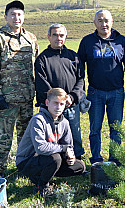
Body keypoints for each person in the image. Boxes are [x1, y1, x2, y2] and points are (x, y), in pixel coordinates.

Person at [0, 0, 39, 177]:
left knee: (26, 137)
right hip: (7, 99)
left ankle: (24, 167)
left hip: (27, 98)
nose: (17, 18)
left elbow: (36, 67)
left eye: (19, 14)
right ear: (6, 16)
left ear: (23, 17)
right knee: (4, 137)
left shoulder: (30, 38)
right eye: (13, 14)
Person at [78, 9, 125, 165]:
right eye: (100, 20)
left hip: (117, 92)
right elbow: (79, 68)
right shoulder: (87, 41)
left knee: (116, 129)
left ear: (112, 22)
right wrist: (81, 91)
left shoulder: (121, 41)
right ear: (95, 23)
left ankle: (115, 159)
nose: (103, 24)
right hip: (95, 92)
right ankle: (96, 159)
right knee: (95, 128)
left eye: (106, 20)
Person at [16, 88, 86, 197]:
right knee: (55, 159)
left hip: (47, 159)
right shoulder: (38, 120)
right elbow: (40, 148)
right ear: (47, 103)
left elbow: (68, 146)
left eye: (62, 104)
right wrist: (64, 149)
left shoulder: (64, 122)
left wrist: (69, 157)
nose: (58, 107)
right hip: (27, 160)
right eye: (55, 103)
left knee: (80, 166)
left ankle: (45, 174)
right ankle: (41, 186)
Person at [34, 23, 86, 159]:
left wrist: (72, 97)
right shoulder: (42, 59)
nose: (58, 38)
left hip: (71, 105)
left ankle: (77, 161)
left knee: (74, 134)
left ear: (66, 37)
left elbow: (81, 79)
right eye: (55, 35)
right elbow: (41, 84)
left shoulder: (73, 57)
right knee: (51, 136)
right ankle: (54, 163)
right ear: (48, 37)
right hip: (51, 107)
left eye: (61, 35)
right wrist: (57, 101)